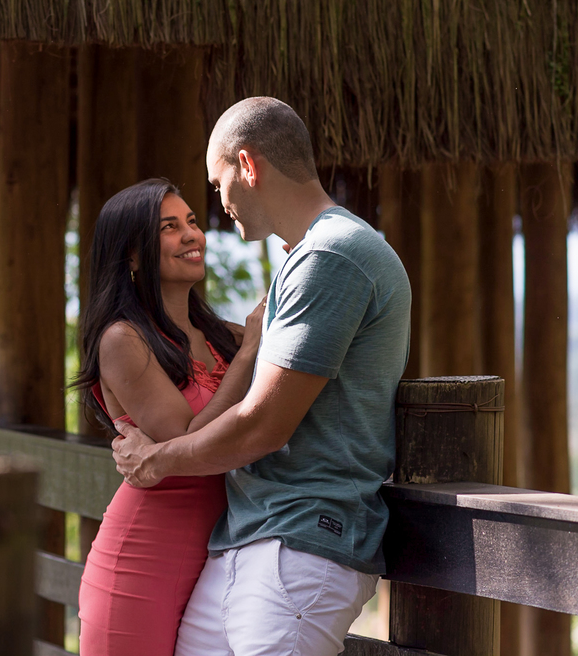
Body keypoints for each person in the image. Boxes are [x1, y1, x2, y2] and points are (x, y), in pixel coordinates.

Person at [112, 97, 412, 656]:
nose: (219, 202)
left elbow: (264, 426)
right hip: (248, 539)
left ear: (248, 166)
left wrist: (155, 461)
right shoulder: (308, 257)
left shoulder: (332, 255)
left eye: (218, 182)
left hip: (300, 541)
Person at [73, 178, 266, 656]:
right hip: (139, 567)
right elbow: (187, 438)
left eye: (192, 222)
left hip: (215, 561)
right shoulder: (122, 340)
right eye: (169, 227)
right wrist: (247, 357)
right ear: (132, 255)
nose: (191, 235)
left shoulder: (220, 335)